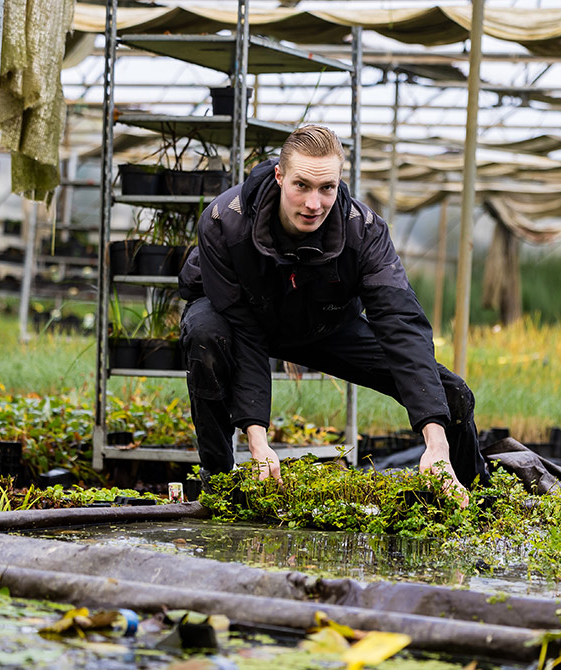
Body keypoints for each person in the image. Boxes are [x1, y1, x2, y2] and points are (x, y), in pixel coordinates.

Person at [178, 125, 489, 499]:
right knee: (205, 335)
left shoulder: (364, 232)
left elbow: (401, 325)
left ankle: (472, 493)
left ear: (339, 182)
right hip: (244, 318)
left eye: (327, 188)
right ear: (280, 176)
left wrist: (435, 441)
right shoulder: (224, 222)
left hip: (323, 324)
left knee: (451, 393)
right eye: (302, 186)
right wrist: (258, 442)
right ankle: (219, 483)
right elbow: (245, 332)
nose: (314, 204)